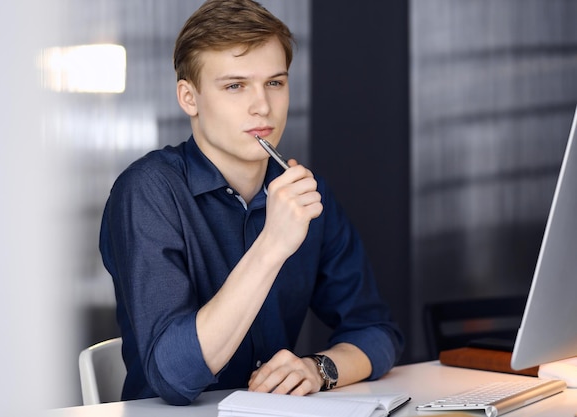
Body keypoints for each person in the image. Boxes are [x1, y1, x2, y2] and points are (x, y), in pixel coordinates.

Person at [99, 0, 404, 406]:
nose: (263, 106)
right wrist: (272, 245)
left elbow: (378, 330)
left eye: (275, 83)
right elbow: (172, 376)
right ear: (189, 98)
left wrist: (318, 368)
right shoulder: (147, 192)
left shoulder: (305, 195)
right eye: (235, 86)